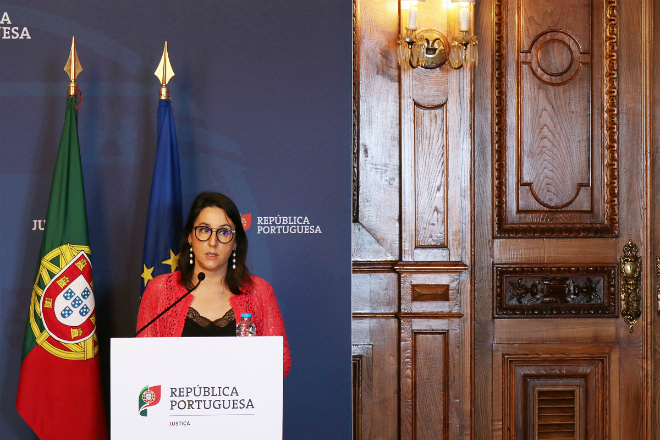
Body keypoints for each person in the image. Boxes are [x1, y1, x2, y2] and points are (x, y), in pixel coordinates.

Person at [136, 192, 291, 378]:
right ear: (190, 237)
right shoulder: (160, 290)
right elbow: (141, 359)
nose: (213, 242)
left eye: (224, 232)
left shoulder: (259, 291)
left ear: (235, 243)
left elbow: (281, 361)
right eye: (204, 230)